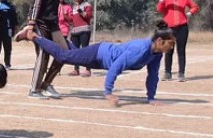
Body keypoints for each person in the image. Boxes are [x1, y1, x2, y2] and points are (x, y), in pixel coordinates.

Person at [15, 21, 175, 107]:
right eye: (170, 43)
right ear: (160, 40)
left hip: (101, 59)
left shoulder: (156, 53)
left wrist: (151, 98)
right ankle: (32, 35)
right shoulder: (141, 49)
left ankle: (67, 42)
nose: (171, 47)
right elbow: (116, 67)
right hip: (99, 53)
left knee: (72, 55)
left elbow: (153, 76)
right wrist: (108, 92)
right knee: (63, 57)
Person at [17, 0, 70, 99]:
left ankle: (46, 84)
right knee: (43, 54)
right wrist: (31, 25)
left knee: (65, 53)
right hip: (40, 23)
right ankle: (34, 90)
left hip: (53, 24)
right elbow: (36, 3)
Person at [156, 0, 200, 82]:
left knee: (181, 51)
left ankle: (181, 73)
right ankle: (167, 73)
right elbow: (159, 9)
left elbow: (195, 7)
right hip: (169, 28)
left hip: (182, 27)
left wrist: (189, 13)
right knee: (168, 50)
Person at [69, 0, 94, 77]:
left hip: (84, 30)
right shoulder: (73, 7)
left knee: (85, 50)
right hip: (75, 31)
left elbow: (87, 16)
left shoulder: (87, 5)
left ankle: (88, 69)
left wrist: (79, 9)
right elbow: (72, 19)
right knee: (75, 50)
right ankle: (76, 69)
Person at [0, 0, 18, 69]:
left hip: (7, 30)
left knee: (7, 47)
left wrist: (15, 28)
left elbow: (14, 19)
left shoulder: (11, 6)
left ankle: (7, 64)